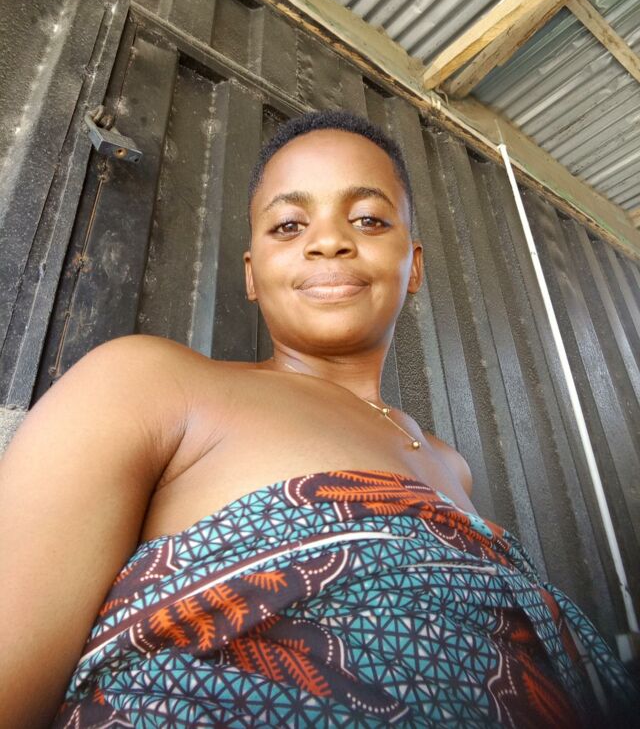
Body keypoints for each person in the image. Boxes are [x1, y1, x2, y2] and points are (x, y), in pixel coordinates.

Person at [0, 110, 635, 727]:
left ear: (414, 265)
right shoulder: (151, 385)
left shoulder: (451, 464)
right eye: (287, 226)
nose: (328, 240)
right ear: (252, 274)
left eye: (368, 219)